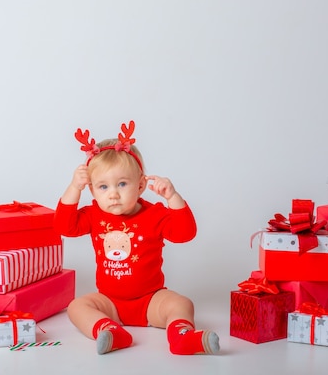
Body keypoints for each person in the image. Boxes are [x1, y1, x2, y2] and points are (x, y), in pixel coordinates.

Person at [54, 120, 220, 355]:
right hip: (110, 302)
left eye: (122, 184)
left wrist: (172, 198)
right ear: (92, 190)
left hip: (151, 300)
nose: (113, 194)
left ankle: (182, 337)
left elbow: (185, 234)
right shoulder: (93, 215)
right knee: (76, 307)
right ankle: (110, 331)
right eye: (103, 187)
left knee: (182, 304)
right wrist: (73, 188)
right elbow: (64, 227)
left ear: (141, 185)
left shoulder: (154, 214)